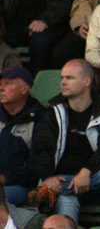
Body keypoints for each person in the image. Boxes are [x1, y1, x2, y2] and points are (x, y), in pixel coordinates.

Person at [31, 59, 100, 223]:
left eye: (69, 78)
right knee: (67, 199)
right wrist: (47, 176)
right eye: (62, 78)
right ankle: (61, 189)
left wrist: (86, 172)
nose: (63, 82)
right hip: (60, 180)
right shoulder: (52, 114)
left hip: (95, 183)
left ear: (86, 82)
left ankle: (56, 189)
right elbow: (41, 148)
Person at [0, 66, 43, 206]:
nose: (1, 88)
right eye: (0, 84)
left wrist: (5, 178)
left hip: (19, 186)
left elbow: (37, 164)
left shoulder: (40, 119)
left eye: (8, 84)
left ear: (24, 89)